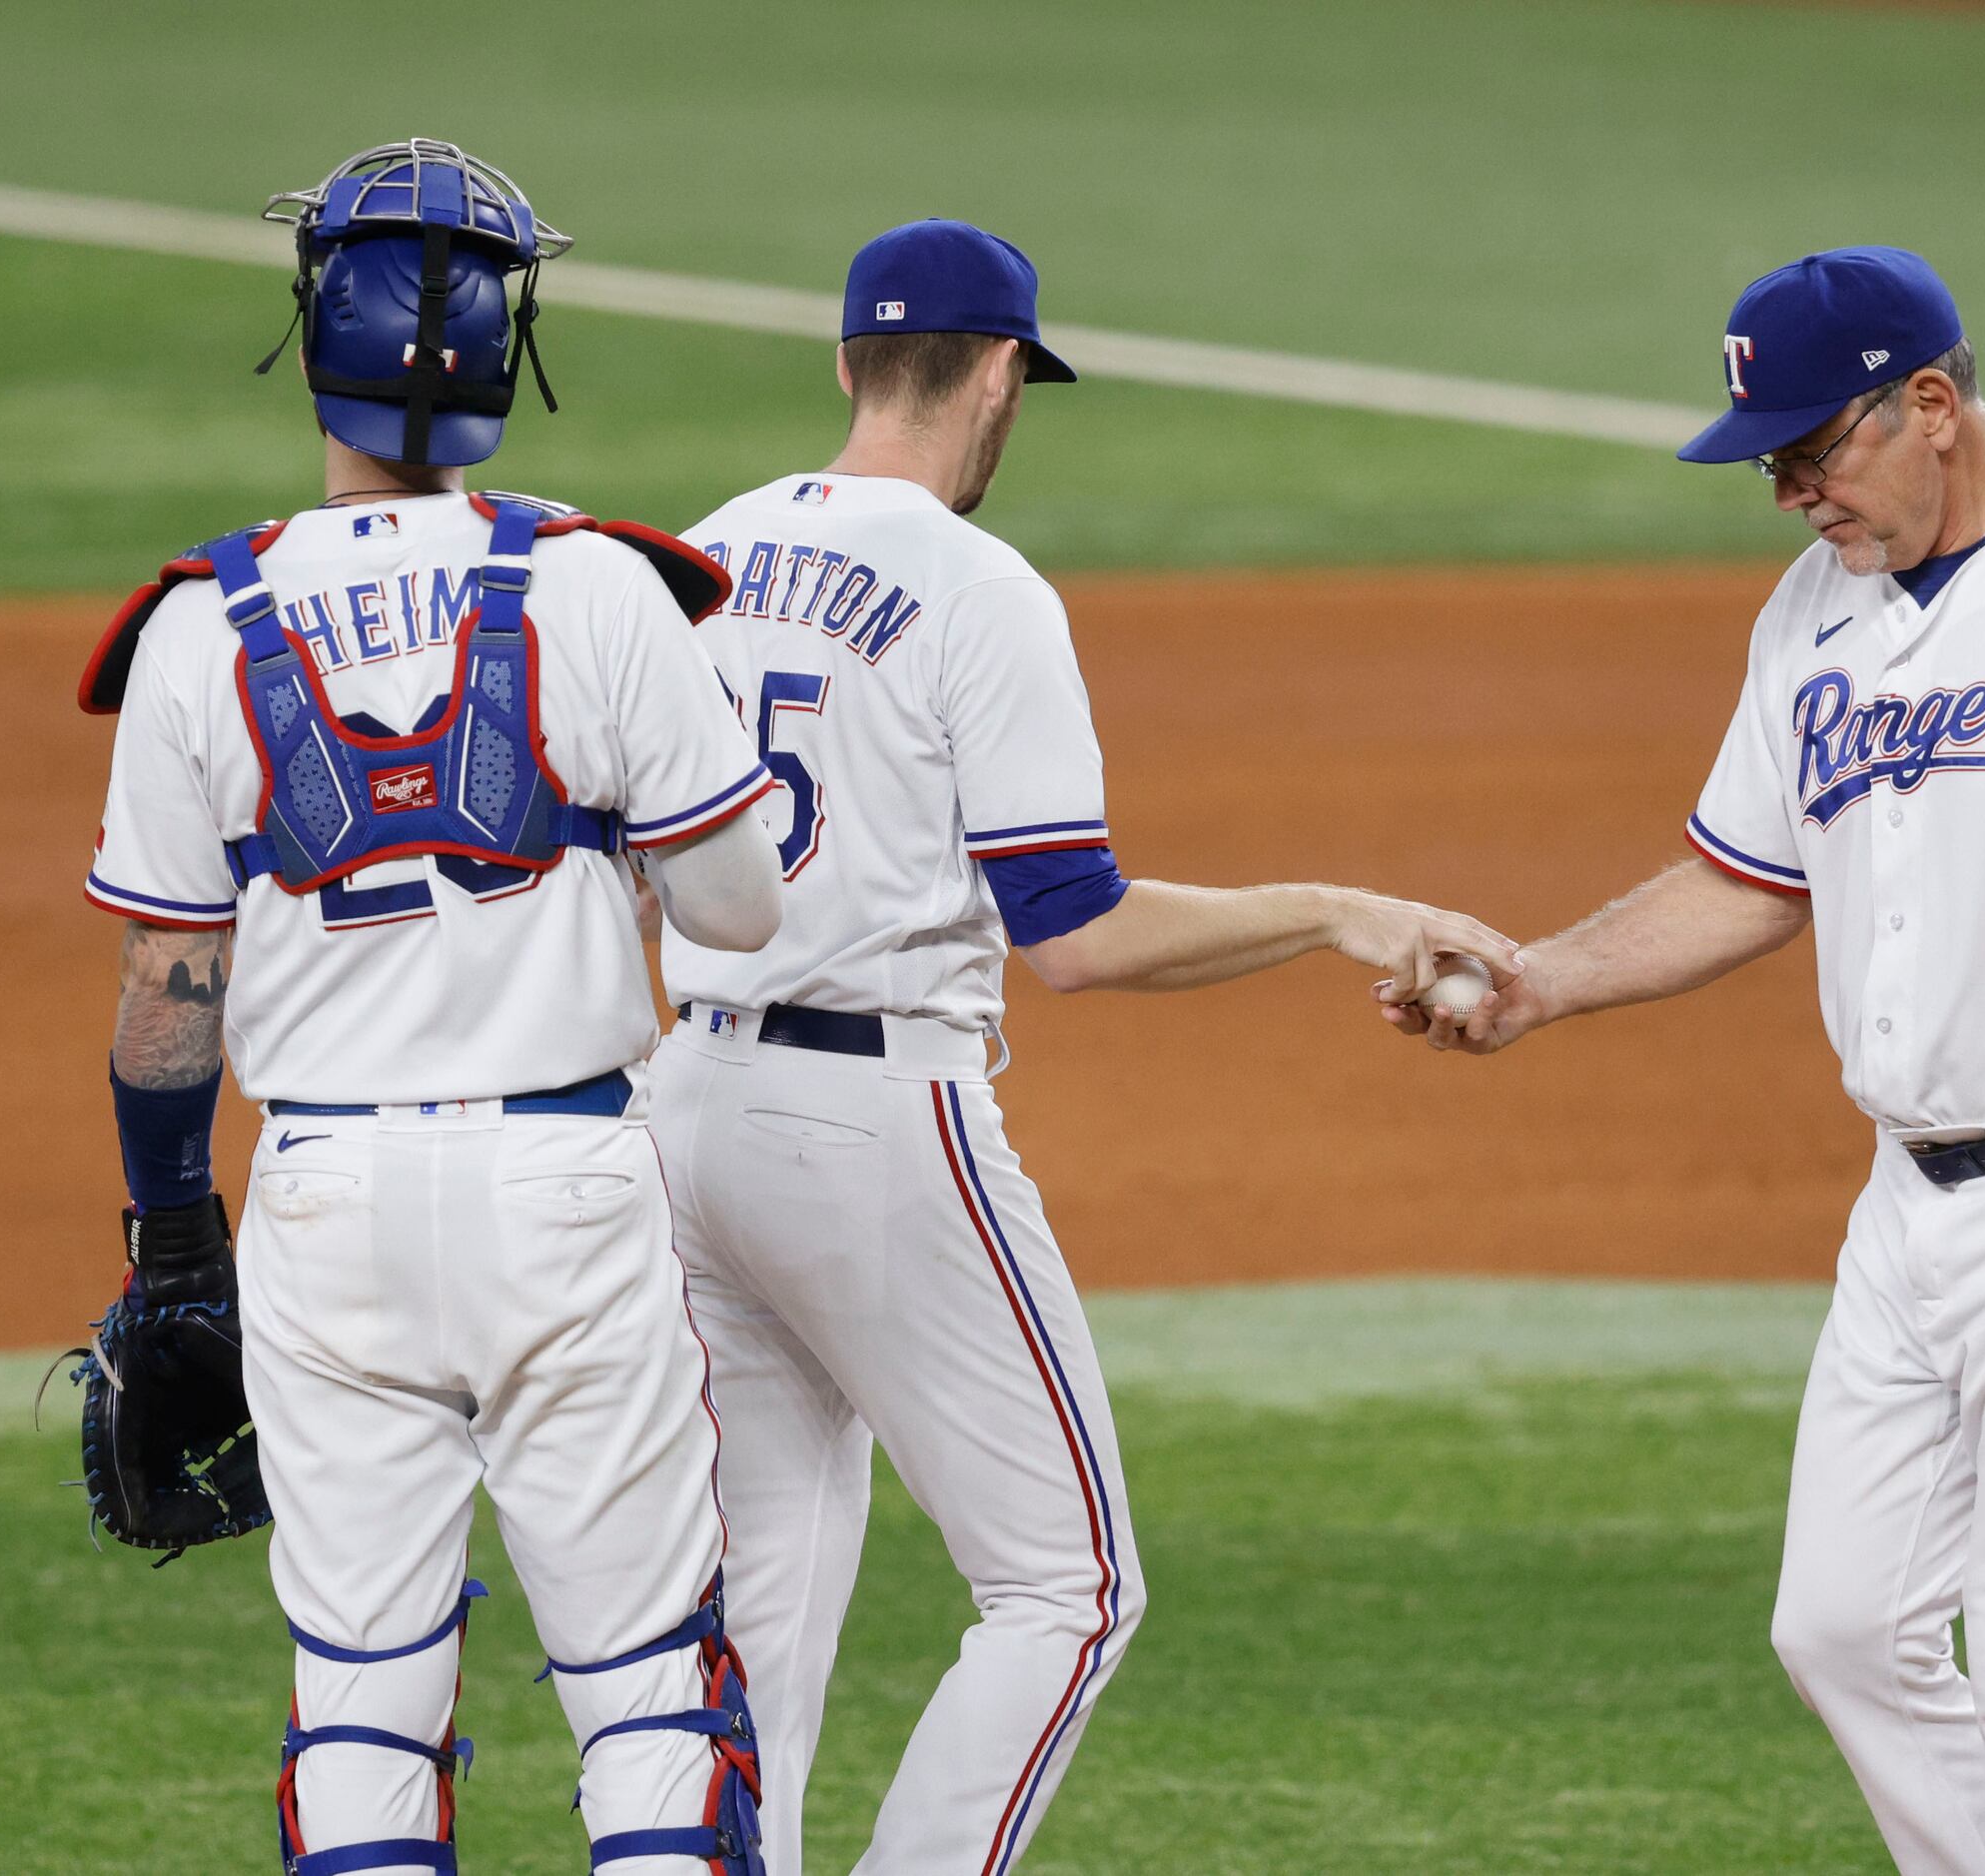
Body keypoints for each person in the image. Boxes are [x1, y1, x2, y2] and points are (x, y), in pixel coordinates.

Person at [1388, 247, 1985, 1874]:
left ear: (1933, 405)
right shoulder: (1814, 613)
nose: (1794, 489)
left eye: (1817, 449)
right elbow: (1749, 870)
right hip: (1908, 1202)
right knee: (1844, 1627)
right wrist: (1543, 981)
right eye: (1772, 462)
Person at [644, 218, 1519, 1875]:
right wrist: (1335, 906)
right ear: (996, 376)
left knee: (753, 1594)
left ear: (845, 365)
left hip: (689, 1107)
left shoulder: (696, 555)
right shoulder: (981, 588)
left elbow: (622, 868)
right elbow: (1075, 928)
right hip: (874, 1121)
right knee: (1069, 1583)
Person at [77, 139, 780, 1875]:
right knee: (651, 1707)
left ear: (308, 322)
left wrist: (175, 1244)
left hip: (327, 1212)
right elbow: (739, 910)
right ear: (505, 353)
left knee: (364, 1711)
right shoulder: (600, 586)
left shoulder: (198, 626)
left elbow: (168, 988)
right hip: (568, 1193)